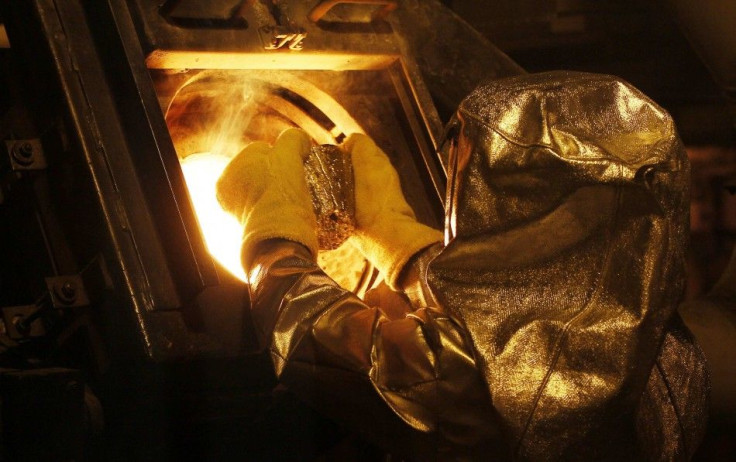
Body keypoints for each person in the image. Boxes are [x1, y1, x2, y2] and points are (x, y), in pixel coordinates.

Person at [216, 71, 709, 461]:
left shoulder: (473, 376)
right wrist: (403, 245)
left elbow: (315, 340)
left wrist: (273, 233)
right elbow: (522, 296)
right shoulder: (657, 339)